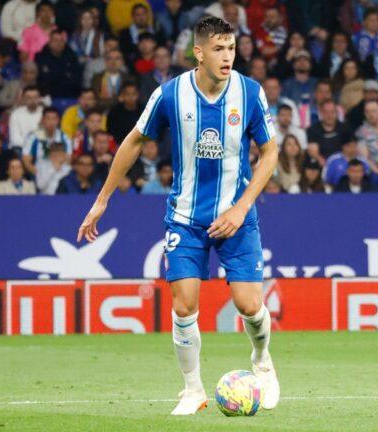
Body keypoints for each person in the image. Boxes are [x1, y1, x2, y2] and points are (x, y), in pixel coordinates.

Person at [76, 17, 280, 415]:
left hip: (236, 217)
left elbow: (270, 153)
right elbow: (134, 140)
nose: (227, 57)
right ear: (199, 52)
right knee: (185, 305)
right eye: (219, 49)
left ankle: (263, 361)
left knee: (249, 306)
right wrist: (103, 199)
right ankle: (192, 390)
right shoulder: (170, 95)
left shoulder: (250, 93)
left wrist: (241, 208)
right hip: (186, 218)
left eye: (232, 48)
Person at [23, 107, 72, 175]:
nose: (51, 122)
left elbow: (68, 160)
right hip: (38, 173)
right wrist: (39, 175)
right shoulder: (33, 137)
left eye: (54, 119)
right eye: (48, 118)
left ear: (58, 121)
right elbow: (26, 162)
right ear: (42, 120)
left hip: (58, 174)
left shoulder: (64, 137)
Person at [35, 29, 81, 99]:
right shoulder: (40, 57)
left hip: (69, 95)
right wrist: (63, 75)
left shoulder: (71, 56)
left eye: (61, 41)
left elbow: (75, 79)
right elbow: (42, 79)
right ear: (49, 42)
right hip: (47, 96)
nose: (59, 43)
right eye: (55, 41)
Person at [306, 100, 354, 165]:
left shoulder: (345, 128)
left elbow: (350, 149)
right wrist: (327, 166)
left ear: (336, 113)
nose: (329, 115)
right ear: (321, 113)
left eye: (332, 112)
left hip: (342, 164)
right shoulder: (313, 129)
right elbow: (314, 152)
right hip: (321, 165)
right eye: (326, 112)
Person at [7, 85, 44, 153]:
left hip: (40, 148)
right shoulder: (15, 114)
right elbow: (15, 139)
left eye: (35, 97)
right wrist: (31, 146)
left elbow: (44, 137)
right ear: (23, 99)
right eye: (29, 98)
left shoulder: (45, 114)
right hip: (20, 148)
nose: (32, 100)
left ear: (40, 98)